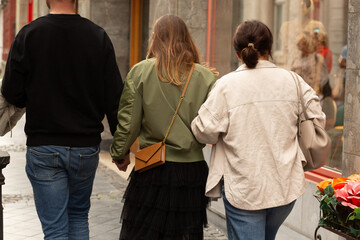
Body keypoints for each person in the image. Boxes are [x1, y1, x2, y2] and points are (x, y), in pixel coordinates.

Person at [191, 20, 326, 240]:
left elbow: (202, 131)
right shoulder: (293, 80)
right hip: (284, 188)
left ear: (238, 53)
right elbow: (318, 117)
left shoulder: (226, 85)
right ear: (270, 50)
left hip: (244, 189)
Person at [1, 0, 123, 239]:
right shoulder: (98, 36)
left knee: (55, 229)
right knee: (78, 217)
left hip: (44, 146)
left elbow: (12, 92)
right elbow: (115, 97)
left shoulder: (30, 34)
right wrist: (121, 148)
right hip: (85, 148)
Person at [110, 14, 217, 240]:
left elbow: (129, 121)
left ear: (155, 38)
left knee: (143, 232)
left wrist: (119, 153)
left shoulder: (141, 71)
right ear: (187, 38)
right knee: (185, 233)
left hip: (151, 166)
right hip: (191, 169)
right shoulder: (206, 77)